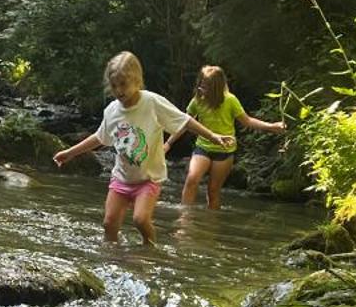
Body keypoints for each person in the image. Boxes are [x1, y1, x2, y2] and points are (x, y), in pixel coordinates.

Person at [53, 50, 232, 245]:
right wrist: (70, 153)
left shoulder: (151, 102)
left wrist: (212, 136)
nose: (119, 91)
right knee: (109, 223)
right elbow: (99, 137)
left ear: (137, 81)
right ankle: (113, 257)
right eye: (114, 86)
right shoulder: (112, 110)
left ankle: (150, 249)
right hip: (121, 178)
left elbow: (185, 120)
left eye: (124, 84)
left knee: (140, 219)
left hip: (148, 178)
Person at [167, 64, 287, 208]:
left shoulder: (230, 100)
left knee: (213, 191)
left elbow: (247, 121)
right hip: (203, 147)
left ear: (216, 87)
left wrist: (272, 126)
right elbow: (184, 124)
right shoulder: (197, 101)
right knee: (192, 180)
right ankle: (184, 221)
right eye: (200, 84)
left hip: (225, 151)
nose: (201, 88)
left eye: (205, 86)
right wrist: (168, 143)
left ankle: (211, 225)